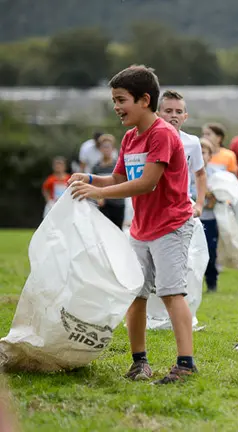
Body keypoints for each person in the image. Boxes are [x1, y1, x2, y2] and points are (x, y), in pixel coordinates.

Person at [69, 65, 197, 385]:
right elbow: (119, 178)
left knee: (171, 293)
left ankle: (186, 364)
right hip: (141, 228)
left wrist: (99, 193)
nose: (116, 107)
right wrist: (89, 179)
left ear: (144, 100)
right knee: (135, 294)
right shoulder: (129, 137)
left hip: (171, 226)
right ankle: (140, 363)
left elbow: (147, 183)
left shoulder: (162, 134)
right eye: (114, 100)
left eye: (121, 100)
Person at [157, 90, 207, 217]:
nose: (174, 115)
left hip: (182, 208)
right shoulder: (149, 141)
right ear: (157, 115)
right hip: (155, 208)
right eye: (168, 111)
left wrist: (199, 205)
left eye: (178, 112)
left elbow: (200, 174)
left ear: (185, 116)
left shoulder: (192, 142)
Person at [198, 138, 220, 293]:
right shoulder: (187, 173)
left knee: (210, 252)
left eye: (203, 152)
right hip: (193, 219)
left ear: (210, 156)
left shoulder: (217, 175)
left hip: (210, 220)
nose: (201, 156)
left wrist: (215, 196)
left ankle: (212, 282)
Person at [91, 134, 126, 228]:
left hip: (118, 204)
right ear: (100, 149)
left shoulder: (118, 165)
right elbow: (94, 183)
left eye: (108, 146)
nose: (106, 149)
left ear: (113, 148)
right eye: (104, 147)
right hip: (103, 205)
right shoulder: (96, 167)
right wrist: (98, 198)